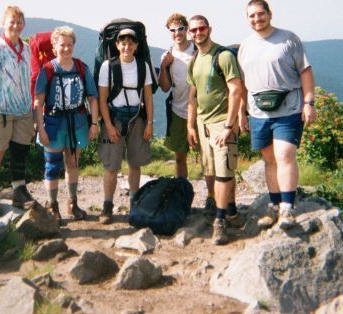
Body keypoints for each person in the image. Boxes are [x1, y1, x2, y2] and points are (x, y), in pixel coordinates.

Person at [238, 0, 316, 231]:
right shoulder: (245, 46)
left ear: (270, 14)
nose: (256, 19)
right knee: (269, 159)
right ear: (247, 19)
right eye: (251, 16)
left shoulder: (288, 39)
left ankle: (287, 208)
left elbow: (306, 71)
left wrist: (309, 102)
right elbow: (243, 83)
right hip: (258, 111)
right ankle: (274, 205)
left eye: (260, 14)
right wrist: (242, 112)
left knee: (285, 154)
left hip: (289, 106)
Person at [186, 15, 243, 245]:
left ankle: (220, 222)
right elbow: (193, 96)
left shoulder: (224, 56)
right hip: (203, 124)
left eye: (202, 28)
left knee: (223, 173)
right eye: (194, 30)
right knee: (210, 172)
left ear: (209, 29)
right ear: (190, 34)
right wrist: (190, 126)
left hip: (222, 123)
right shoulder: (195, 59)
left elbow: (236, 90)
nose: (198, 33)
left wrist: (230, 126)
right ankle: (230, 210)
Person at [34, 26, 100, 224]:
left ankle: (72, 203)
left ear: (73, 46)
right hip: (53, 123)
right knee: (52, 166)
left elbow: (93, 98)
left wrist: (94, 123)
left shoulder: (81, 68)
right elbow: (38, 102)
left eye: (69, 45)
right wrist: (40, 128)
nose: (66, 49)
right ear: (54, 46)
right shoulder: (47, 70)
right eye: (62, 45)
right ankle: (52, 205)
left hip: (77, 122)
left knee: (72, 163)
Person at [0, 5, 35, 216]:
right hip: (0, 109)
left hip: (22, 109)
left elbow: (30, 77)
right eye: (12, 21)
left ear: (24, 25)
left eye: (19, 22)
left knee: (20, 150)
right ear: (3, 23)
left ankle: (19, 189)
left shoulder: (27, 48)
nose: (15, 25)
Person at [97, 28, 154, 224]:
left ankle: (134, 203)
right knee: (111, 165)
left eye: (131, 43)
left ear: (137, 45)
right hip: (114, 118)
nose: (127, 46)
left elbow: (147, 95)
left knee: (135, 163)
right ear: (117, 45)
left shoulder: (142, 66)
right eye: (123, 42)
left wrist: (149, 123)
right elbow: (103, 99)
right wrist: (109, 126)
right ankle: (107, 205)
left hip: (137, 118)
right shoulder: (108, 66)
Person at [158, 13, 205, 190]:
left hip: (201, 111)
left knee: (206, 156)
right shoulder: (167, 56)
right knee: (179, 157)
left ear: (187, 30)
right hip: (178, 111)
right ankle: (182, 192)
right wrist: (164, 66)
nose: (177, 33)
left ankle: (213, 198)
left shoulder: (198, 51)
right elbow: (164, 87)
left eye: (181, 29)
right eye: (173, 30)